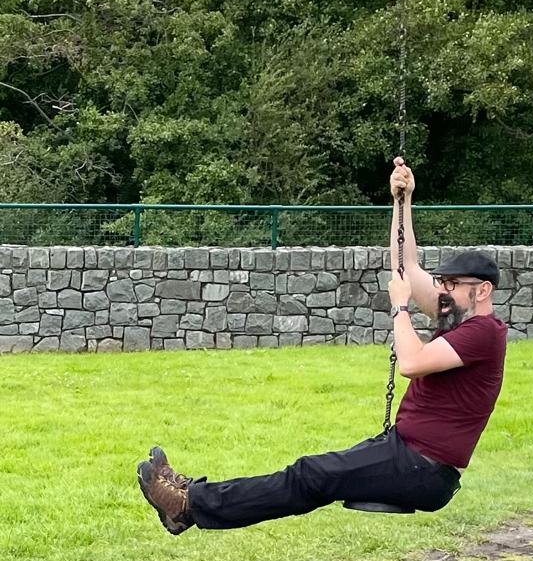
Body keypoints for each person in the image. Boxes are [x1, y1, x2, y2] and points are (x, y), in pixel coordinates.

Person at [136, 157, 508, 535]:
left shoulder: (484, 333)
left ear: (481, 290)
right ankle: (188, 505)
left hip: (423, 469)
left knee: (308, 475)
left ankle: (188, 505)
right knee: (308, 477)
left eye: (451, 283)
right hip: (407, 453)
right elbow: (407, 265)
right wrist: (403, 201)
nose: (442, 289)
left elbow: (412, 362)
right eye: (442, 282)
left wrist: (399, 306)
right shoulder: (456, 316)